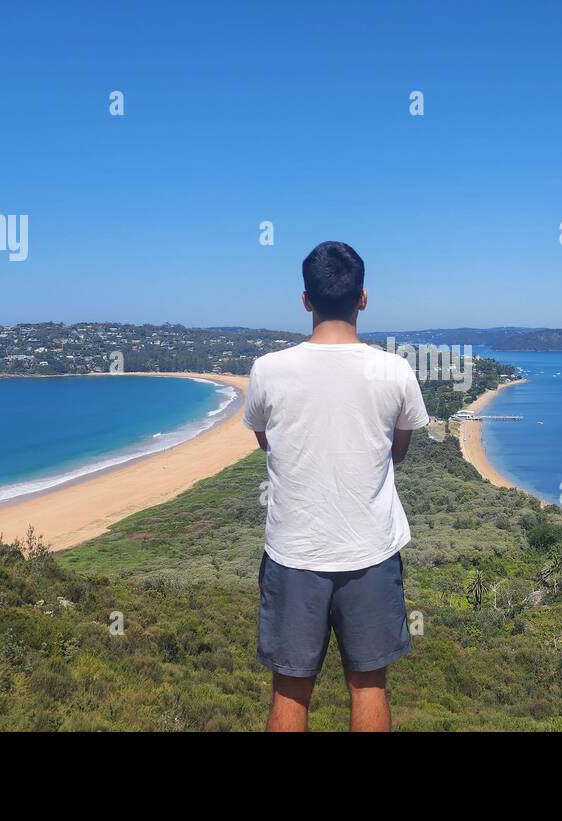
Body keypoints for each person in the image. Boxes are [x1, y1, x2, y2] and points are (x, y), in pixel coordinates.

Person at [242, 240, 428, 732]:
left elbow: (268, 442)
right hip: (370, 551)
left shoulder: (268, 370)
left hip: (293, 554)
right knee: (368, 686)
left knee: (290, 689)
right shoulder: (395, 371)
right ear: (362, 298)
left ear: (305, 300)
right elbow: (398, 451)